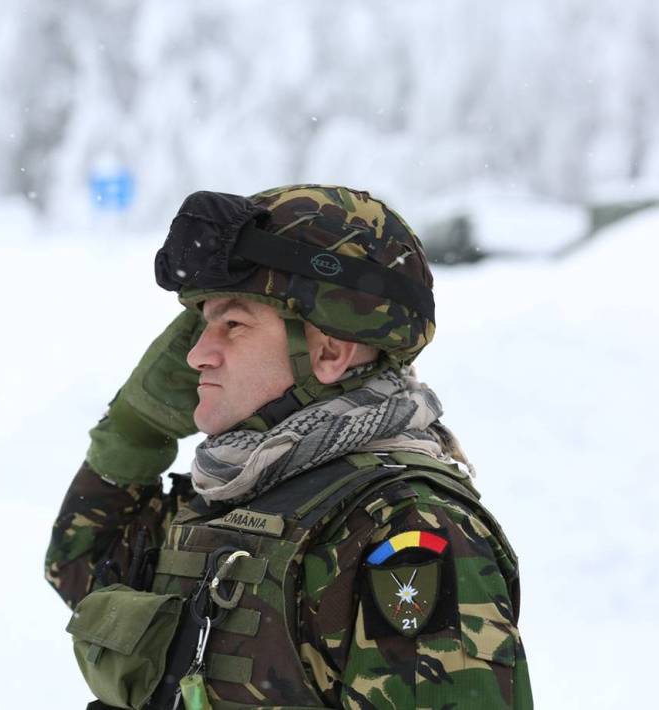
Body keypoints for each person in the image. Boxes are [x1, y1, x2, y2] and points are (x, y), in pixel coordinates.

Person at [46, 185, 533, 709]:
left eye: (233, 324)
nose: (196, 355)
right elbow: (84, 569)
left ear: (329, 352)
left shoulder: (403, 528)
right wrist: (135, 427)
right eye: (202, 324)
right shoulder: (238, 490)